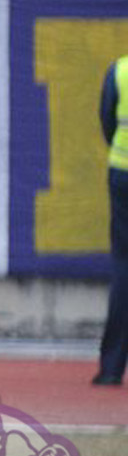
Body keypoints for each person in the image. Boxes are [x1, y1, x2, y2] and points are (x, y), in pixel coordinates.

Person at [97, 54, 128, 386]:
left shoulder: (120, 70)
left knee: (124, 266)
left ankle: (111, 368)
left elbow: (107, 120)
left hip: (123, 173)